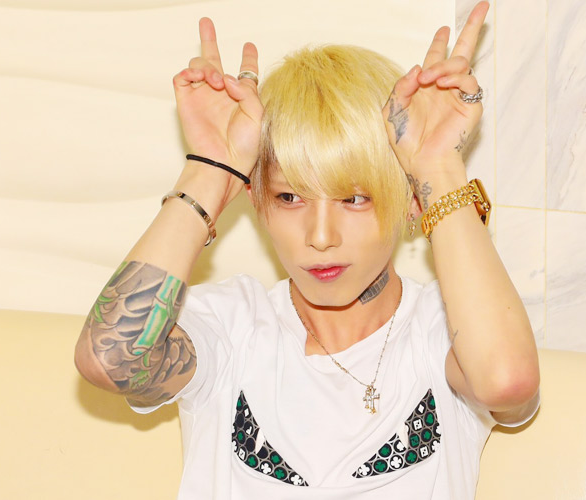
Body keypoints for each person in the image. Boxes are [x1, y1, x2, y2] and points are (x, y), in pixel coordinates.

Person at [74, 2, 540, 498]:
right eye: (289, 197)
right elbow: (111, 358)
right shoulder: (232, 327)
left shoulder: (444, 335)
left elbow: (506, 383)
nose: (320, 236)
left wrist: (438, 169)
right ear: (257, 200)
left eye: (355, 199)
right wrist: (210, 168)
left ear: (410, 200)